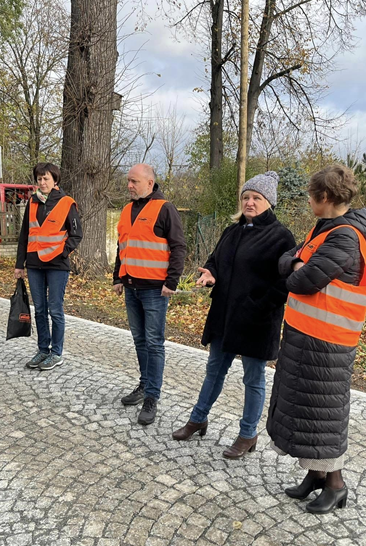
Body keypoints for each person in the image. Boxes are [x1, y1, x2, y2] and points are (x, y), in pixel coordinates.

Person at [267, 164, 366, 514]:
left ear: (324, 197)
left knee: (324, 416)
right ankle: (315, 475)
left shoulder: (344, 237)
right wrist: (296, 263)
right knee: (308, 414)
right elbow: (286, 260)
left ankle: (336, 484)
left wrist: (297, 266)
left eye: (311, 196)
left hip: (327, 345)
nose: (308, 201)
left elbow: (302, 279)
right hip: (308, 338)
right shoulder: (325, 230)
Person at [172, 171, 295, 458]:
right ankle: (197, 418)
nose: (250, 202)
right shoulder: (233, 230)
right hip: (225, 315)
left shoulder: (281, 236)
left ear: (269, 202)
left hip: (257, 320)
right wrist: (210, 273)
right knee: (214, 371)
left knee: (253, 380)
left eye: (256, 198)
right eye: (246, 197)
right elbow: (215, 260)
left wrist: (257, 306)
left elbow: (284, 284)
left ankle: (248, 434)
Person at [113, 163, 187, 425]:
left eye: (134, 181)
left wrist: (172, 281)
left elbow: (179, 246)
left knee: (154, 343)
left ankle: (152, 396)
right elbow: (122, 247)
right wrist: (117, 277)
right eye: (128, 181)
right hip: (131, 287)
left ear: (149, 183)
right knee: (139, 341)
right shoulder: (125, 211)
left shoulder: (164, 208)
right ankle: (144, 384)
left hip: (155, 290)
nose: (129, 186)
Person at [15, 162, 82, 371]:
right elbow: (24, 234)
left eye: (46, 179)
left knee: (55, 309)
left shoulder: (66, 203)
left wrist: (62, 253)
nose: (42, 182)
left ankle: (56, 352)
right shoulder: (32, 202)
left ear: (55, 180)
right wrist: (20, 264)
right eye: (39, 179)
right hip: (34, 264)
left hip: (57, 266)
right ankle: (43, 349)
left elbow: (76, 234)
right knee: (40, 310)